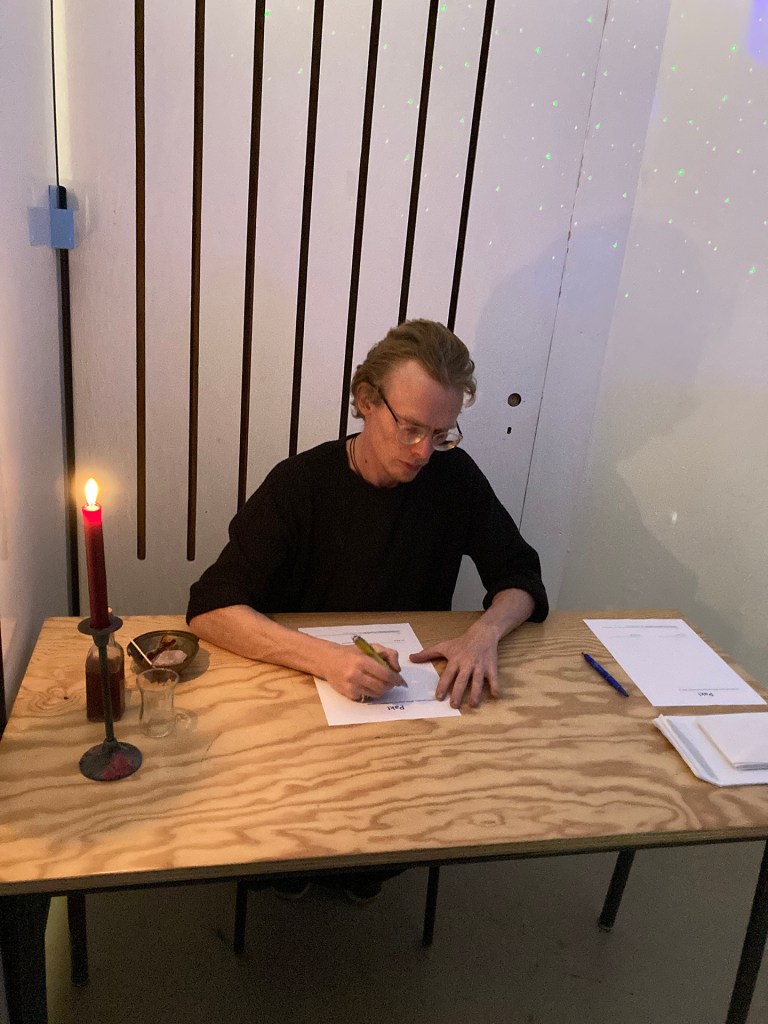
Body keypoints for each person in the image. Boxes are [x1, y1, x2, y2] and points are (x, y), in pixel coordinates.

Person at [186, 318, 547, 899]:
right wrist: (327, 659)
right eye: (410, 428)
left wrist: (483, 634)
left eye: (442, 434)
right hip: (299, 702)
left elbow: (521, 576)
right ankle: (302, 870)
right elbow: (210, 605)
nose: (424, 452)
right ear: (365, 401)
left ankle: (360, 868)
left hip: (404, 711)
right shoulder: (301, 484)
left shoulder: (454, 479)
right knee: (285, 850)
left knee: (397, 836)